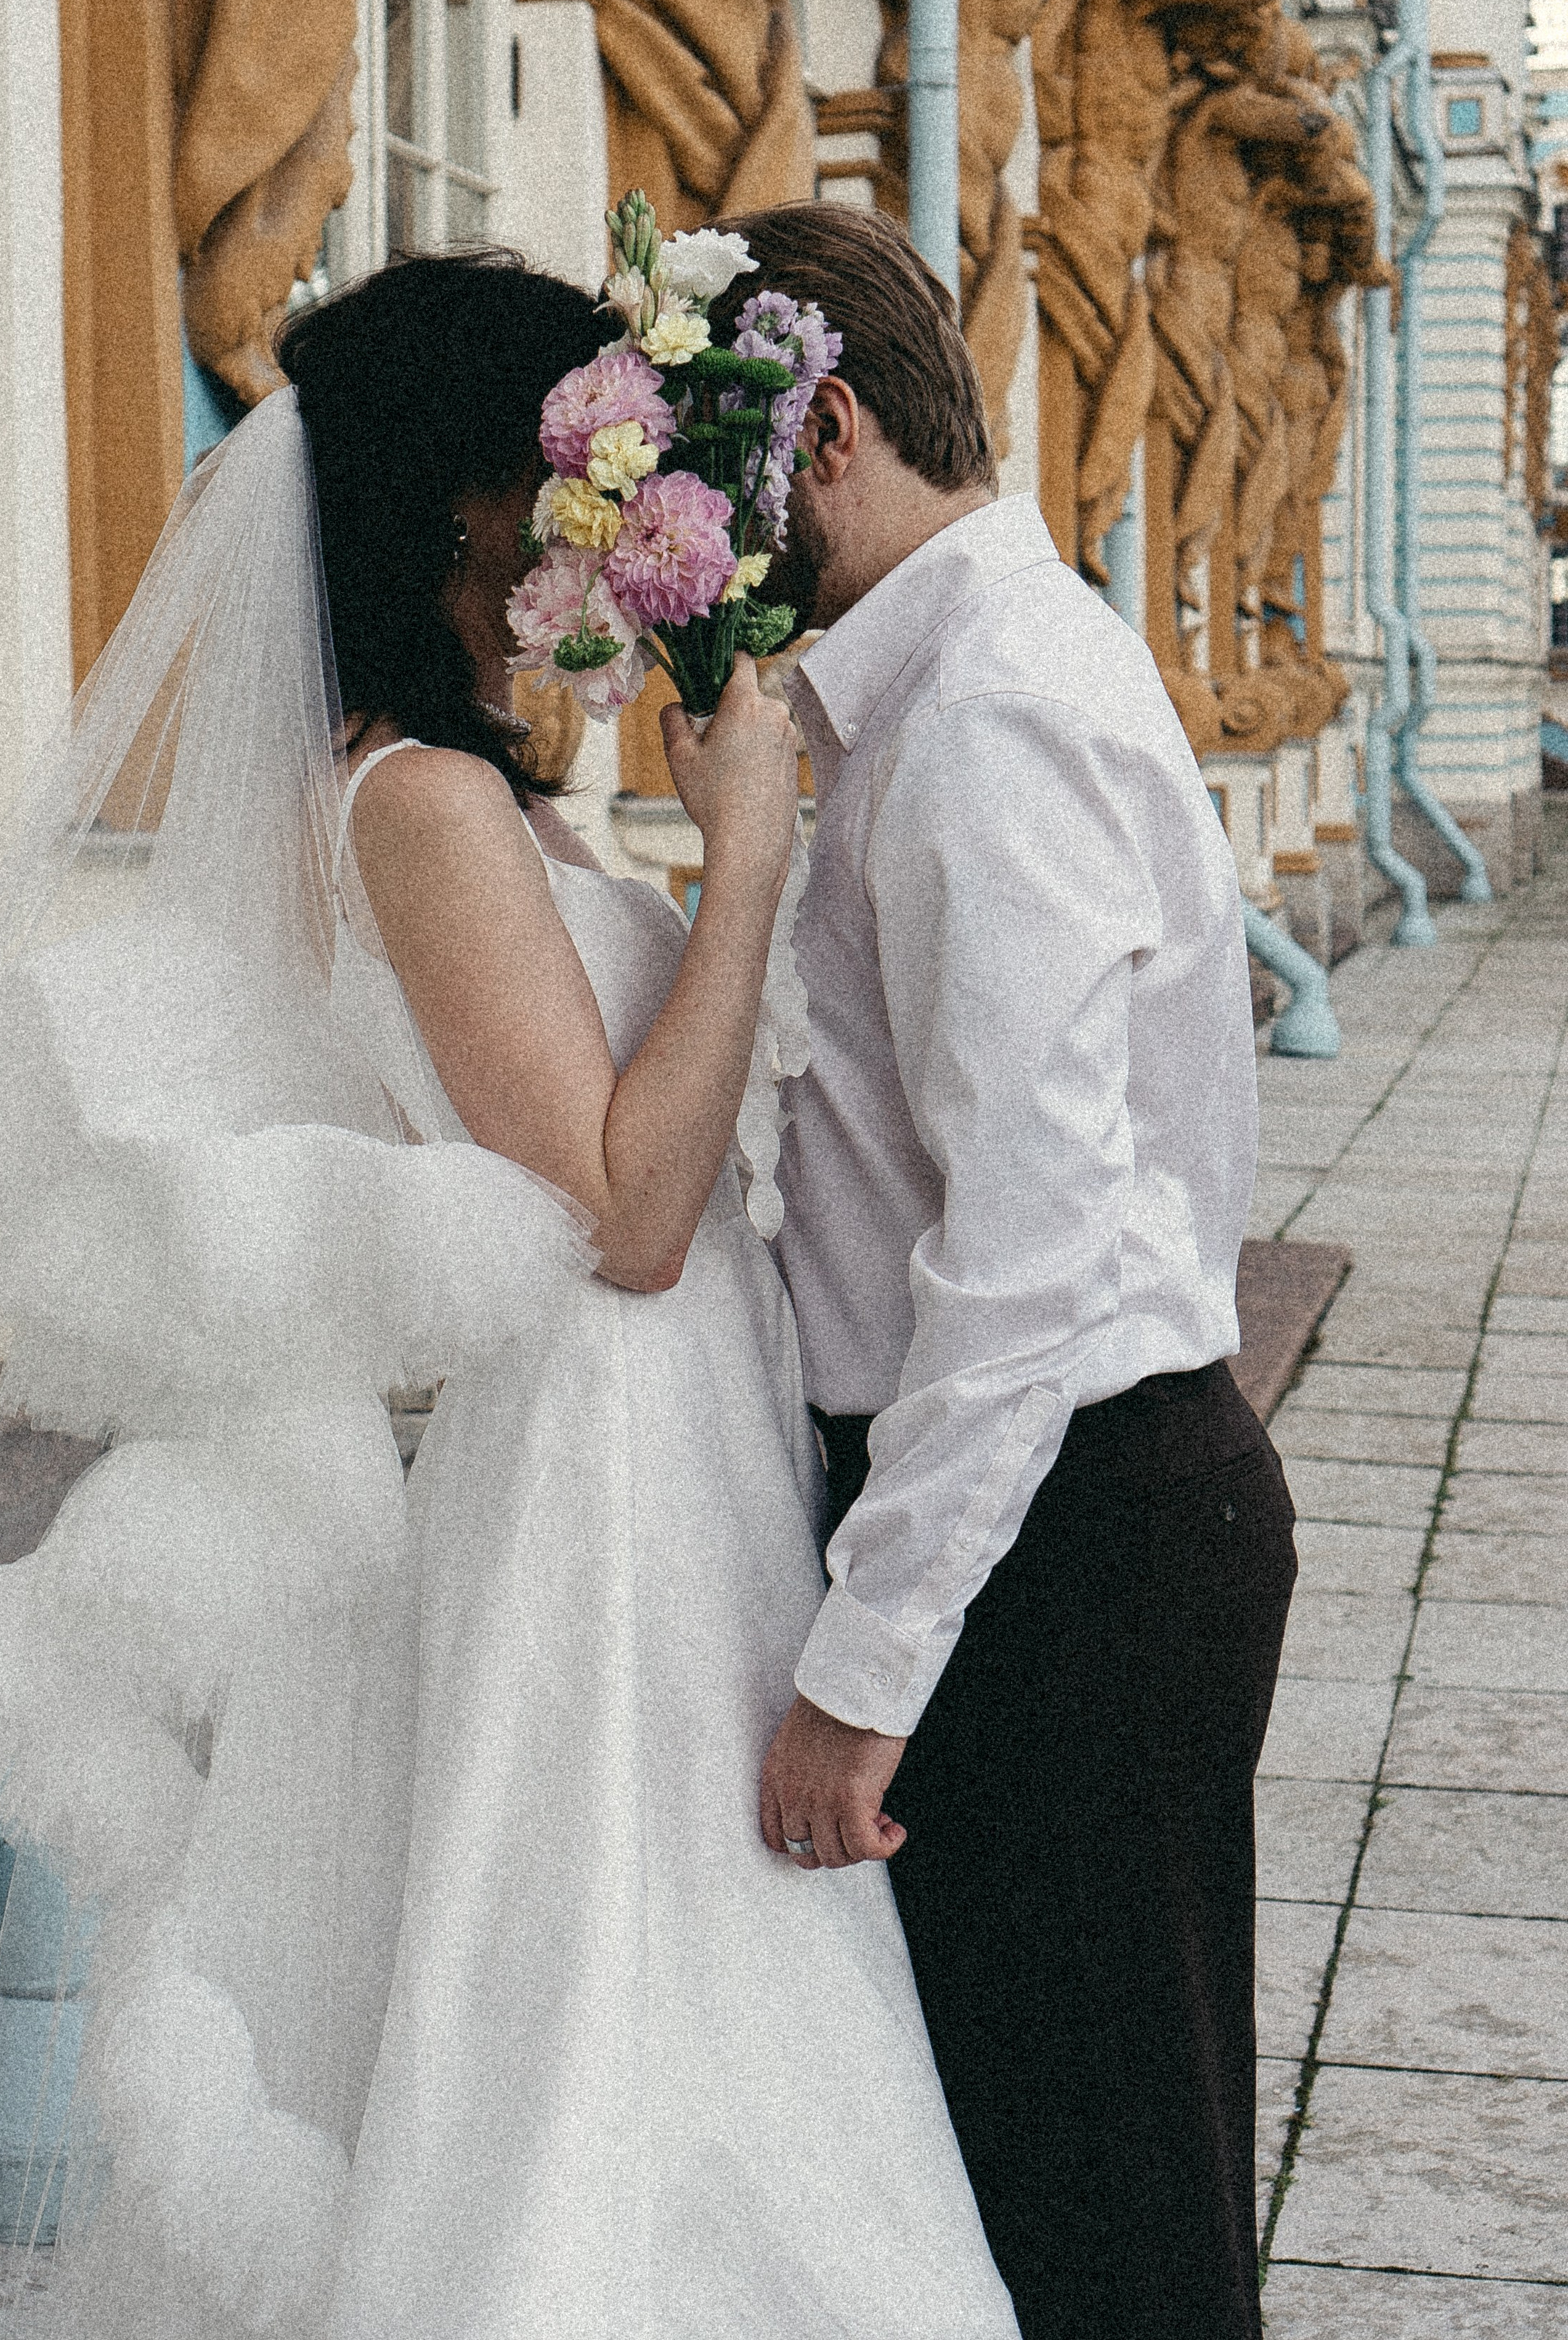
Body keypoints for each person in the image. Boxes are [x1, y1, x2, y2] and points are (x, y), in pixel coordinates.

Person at [0, 250, 1017, 2340]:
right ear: (470, 503)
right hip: (599, 1462)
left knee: (692, 1963)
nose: (606, 501)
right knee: (613, 1978)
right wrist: (742, 854)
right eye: (570, 461)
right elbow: (619, 1216)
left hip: (685, 1444)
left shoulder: (492, 798)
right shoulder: (422, 804)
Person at [739, 202, 1297, 2340]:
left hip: (1071, 1540)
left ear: (834, 435)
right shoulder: (970, 672)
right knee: (1061, 2201)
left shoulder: (979, 715)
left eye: (719, 484)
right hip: (1080, 1516)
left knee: (1107, 2236)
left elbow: (1028, 1256)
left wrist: (857, 1676)